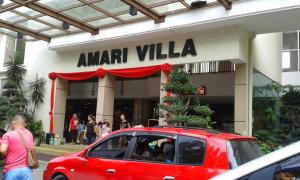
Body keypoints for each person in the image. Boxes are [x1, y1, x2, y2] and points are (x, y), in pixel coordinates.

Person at [0, 113, 35, 180]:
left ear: (13, 122)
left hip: (12, 171)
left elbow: (3, 150)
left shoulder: (8, 135)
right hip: (27, 171)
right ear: (24, 124)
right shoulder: (30, 134)